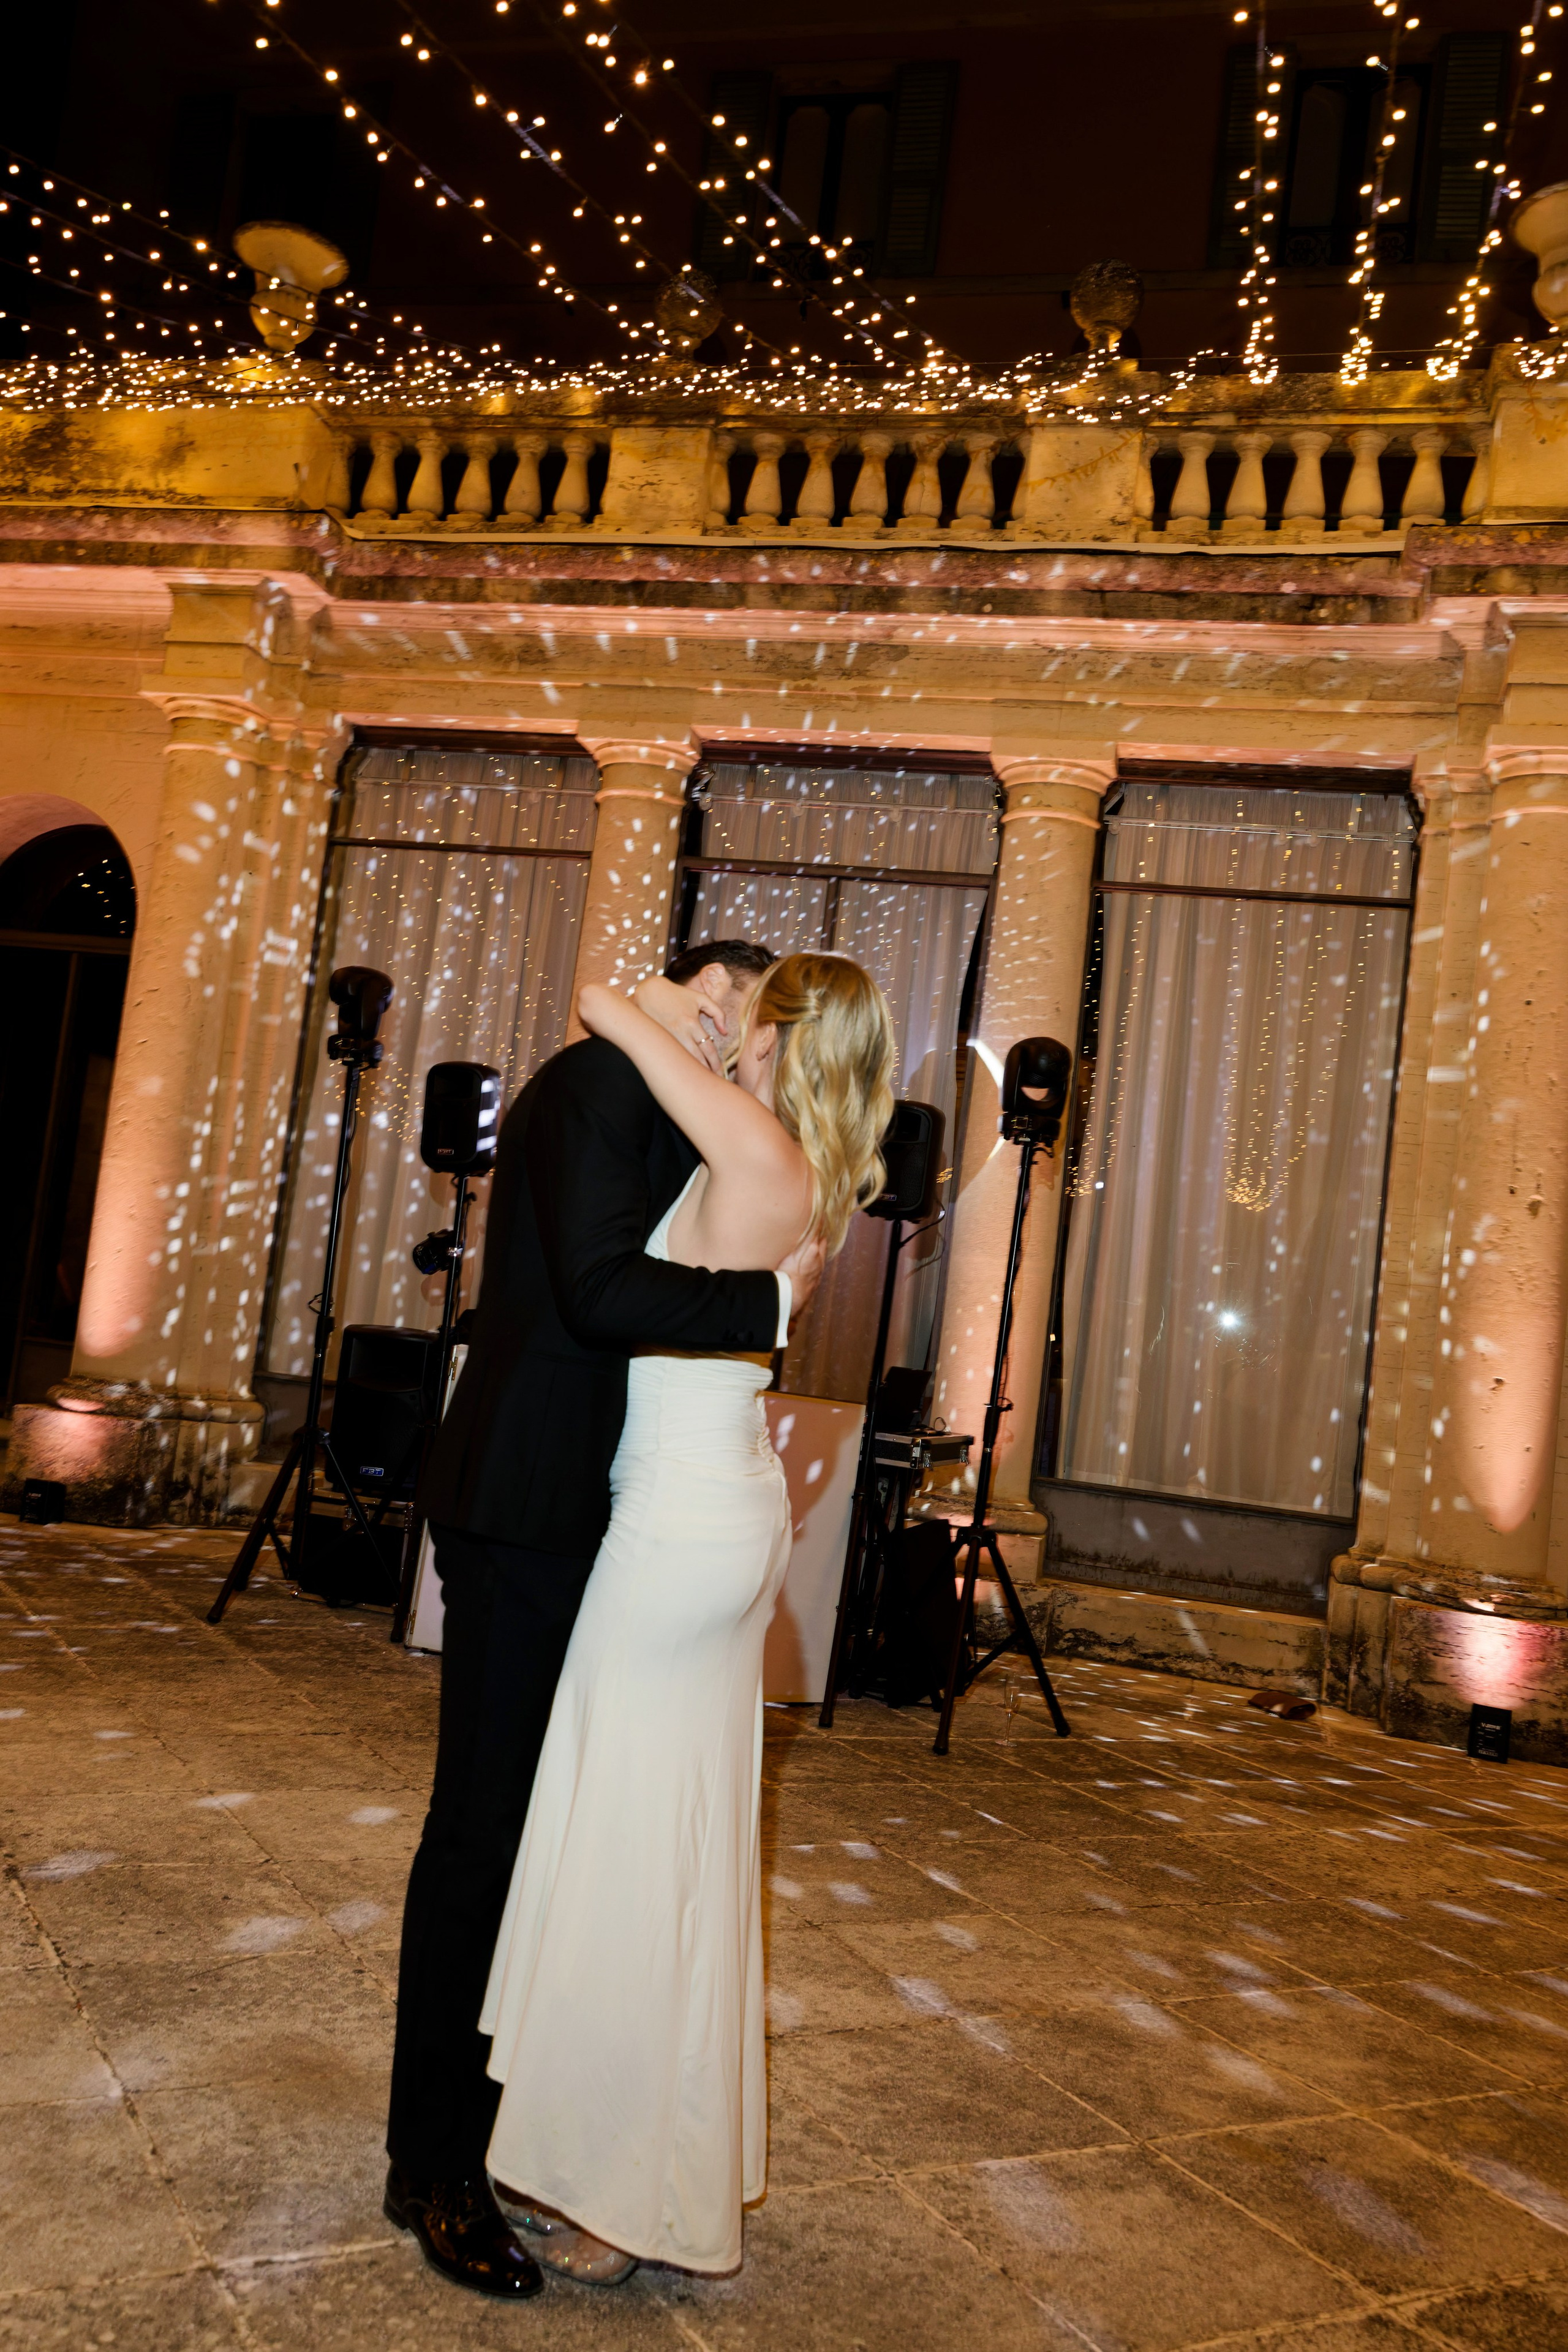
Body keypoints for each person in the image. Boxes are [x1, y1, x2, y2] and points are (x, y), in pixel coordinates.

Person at [385, 940, 825, 2301]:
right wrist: (772, 1300)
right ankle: (431, 2168)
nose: (731, 1044)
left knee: (538, 1839)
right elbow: (596, 1291)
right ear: (688, 993)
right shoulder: (596, 1087)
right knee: (482, 1835)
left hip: (585, 1512)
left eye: (747, 1030)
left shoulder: (654, 1099)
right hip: (524, 1506)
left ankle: (504, 2130)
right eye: (725, 1011)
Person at [480, 951, 895, 2283]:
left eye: (749, 1013)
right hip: (717, 1509)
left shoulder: (752, 1140)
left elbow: (601, 1003)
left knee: (631, 1857)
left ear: (774, 1035)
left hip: (675, 1527)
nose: (727, 1024)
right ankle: (642, 2170)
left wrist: (680, 1007)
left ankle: (617, 2205)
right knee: (678, 1847)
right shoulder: (803, 1167)